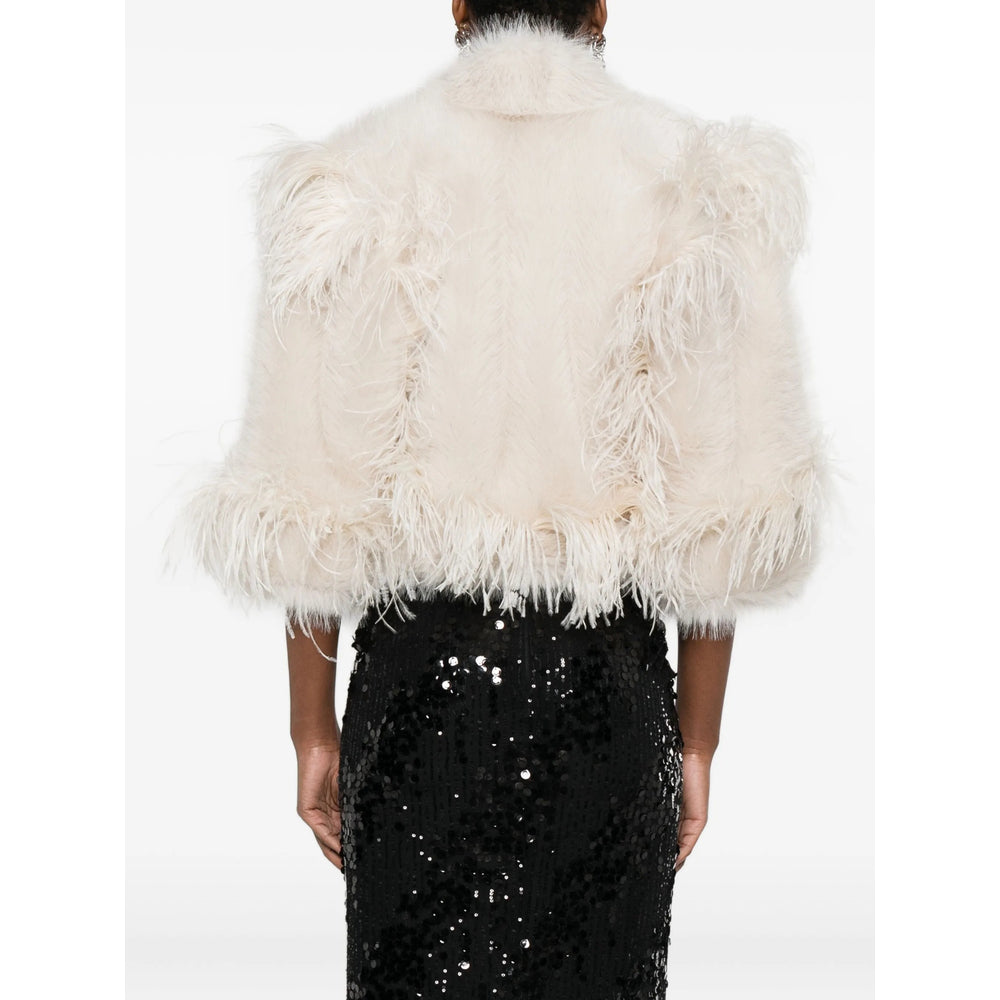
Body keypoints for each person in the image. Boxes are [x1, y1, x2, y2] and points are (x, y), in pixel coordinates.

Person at [165, 1, 833, 994]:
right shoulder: (693, 185)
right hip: (605, 698)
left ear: (457, 4)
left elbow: (308, 510)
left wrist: (311, 732)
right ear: (600, 7)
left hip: (418, 699)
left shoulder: (355, 181)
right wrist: (697, 742)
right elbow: (720, 525)